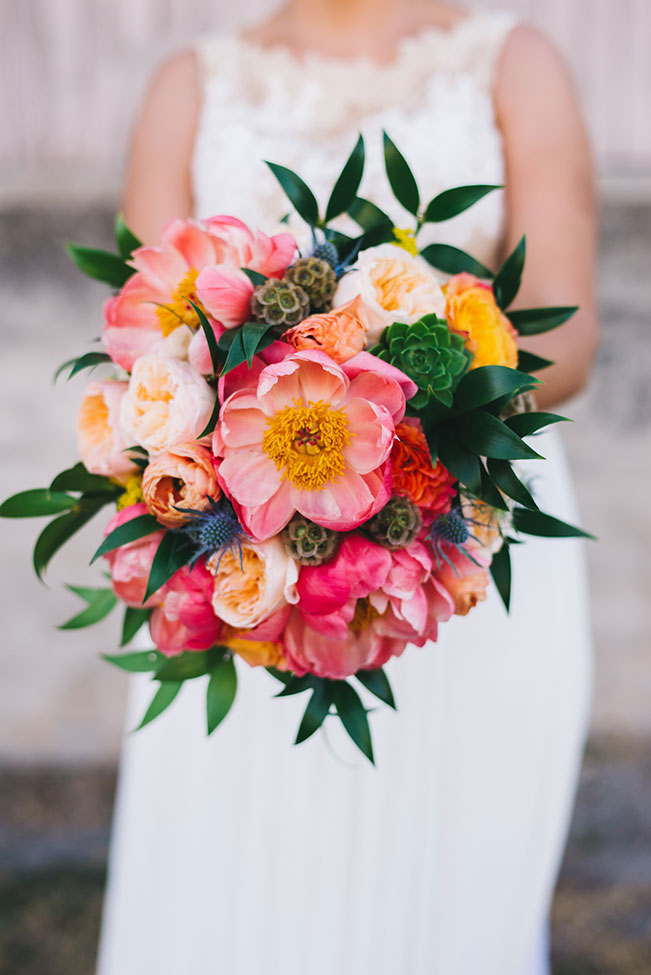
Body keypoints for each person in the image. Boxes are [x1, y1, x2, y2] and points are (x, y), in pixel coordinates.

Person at [97, 2, 598, 973]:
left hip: (457, 540)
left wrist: (385, 420)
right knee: (237, 873)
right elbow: (139, 334)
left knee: (448, 891)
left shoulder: (511, 63)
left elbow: (564, 340)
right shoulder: (190, 84)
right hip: (244, 542)